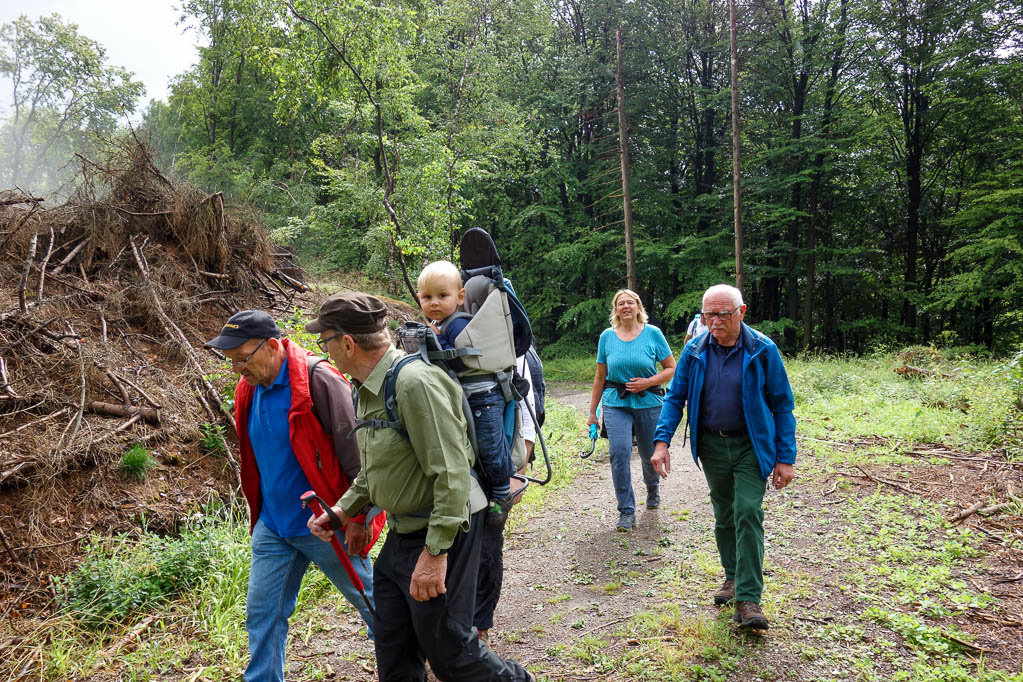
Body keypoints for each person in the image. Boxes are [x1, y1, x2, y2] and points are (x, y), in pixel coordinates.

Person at [305, 292, 533, 682]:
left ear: (347, 343)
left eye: (324, 340)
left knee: (451, 653)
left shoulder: (414, 383)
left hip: (445, 528)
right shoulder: (365, 388)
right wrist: (344, 510)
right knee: (393, 645)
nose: (323, 350)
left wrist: (435, 553)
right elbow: (377, 467)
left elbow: (452, 473)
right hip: (403, 531)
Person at [204, 310, 384, 682]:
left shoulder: (318, 380)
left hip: (325, 521)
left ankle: (412, 661)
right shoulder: (249, 387)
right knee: (262, 614)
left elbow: (360, 458)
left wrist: (358, 516)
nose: (238, 368)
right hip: (273, 525)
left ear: (272, 346)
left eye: (242, 358)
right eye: (231, 362)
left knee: (374, 604)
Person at [651, 284, 796, 631]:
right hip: (712, 446)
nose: (714, 322)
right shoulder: (695, 351)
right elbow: (675, 399)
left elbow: (782, 404)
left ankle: (748, 599)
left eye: (722, 314)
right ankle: (732, 577)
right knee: (724, 514)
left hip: (751, 445)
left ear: (741, 312)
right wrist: (661, 442)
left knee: (747, 511)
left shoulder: (763, 350)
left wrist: (785, 457)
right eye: (708, 315)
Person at [417, 260, 516, 522]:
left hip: (483, 396)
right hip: (461, 395)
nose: (434, 303)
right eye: (427, 297)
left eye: (442, 296)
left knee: (488, 447)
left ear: (460, 297)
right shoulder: (440, 324)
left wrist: (434, 340)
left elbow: (462, 358)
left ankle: (502, 493)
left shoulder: (458, 324)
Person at [586, 289, 676, 532]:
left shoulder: (653, 334)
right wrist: (592, 412)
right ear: (615, 310)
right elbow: (600, 376)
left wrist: (647, 382)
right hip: (616, 402)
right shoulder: (607, 337)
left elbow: (671, 368)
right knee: (619, 452)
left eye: (630, 303)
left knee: (649, 453)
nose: (626, 306)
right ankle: (626, 511)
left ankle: (652, 488)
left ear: (638, 307)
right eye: (621, 303)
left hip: (649, 401)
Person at [475, 353, 535, 644]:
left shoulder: (509, 347)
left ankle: (480, 626)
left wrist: (519, 470)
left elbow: (526, 407)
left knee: (487, 547)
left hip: (497, 473)